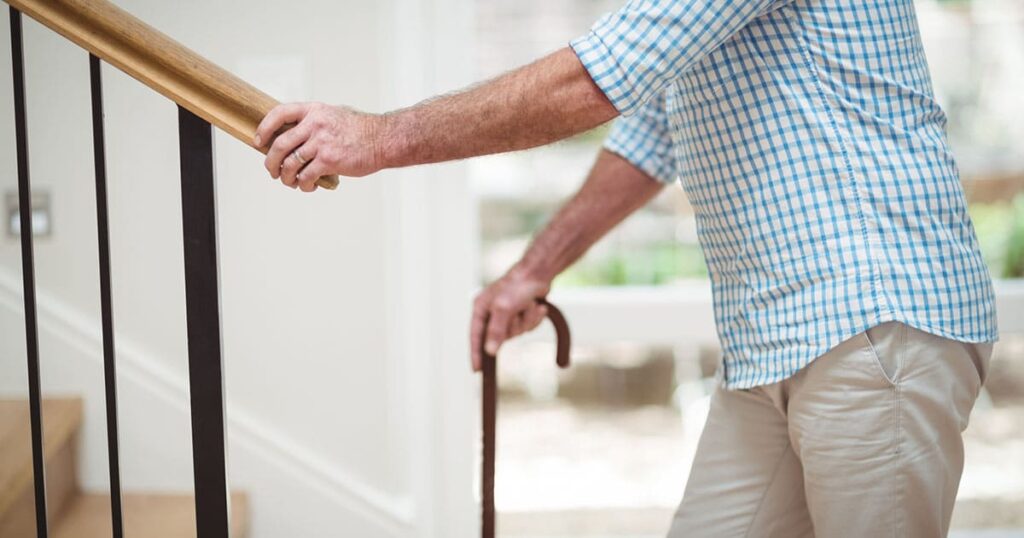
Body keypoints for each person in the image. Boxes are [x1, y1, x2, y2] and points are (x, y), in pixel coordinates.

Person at [256, 0, 998, 535]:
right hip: (776, 340)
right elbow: (647, 138)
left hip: (873, 320)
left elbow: (591, 83)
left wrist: (379, 137)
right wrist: (532, 271)